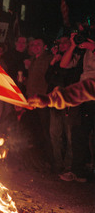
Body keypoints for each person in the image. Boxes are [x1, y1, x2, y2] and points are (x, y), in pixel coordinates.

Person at [29, 33, 95, 182]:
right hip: (81, 101)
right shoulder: (82, 54)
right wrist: (50, 99)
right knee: (78, 133)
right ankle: (75, 171)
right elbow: (87, 87)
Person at [45, 35, 82, 173]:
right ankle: (58, 163)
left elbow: (68, 75)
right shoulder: (57, 59)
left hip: (69, 101)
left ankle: (68, 166)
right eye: (60, 43)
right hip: (54, 101)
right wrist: (52, 62)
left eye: (65, 42)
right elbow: (48, 78)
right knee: (54, 133)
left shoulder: (76, 59)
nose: (62, 45)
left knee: (69, 135)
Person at [23, 37, 54, 169]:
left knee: (46, 132)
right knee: (35, 131)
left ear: (44, 46)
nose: (35, 46)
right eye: (33, 44)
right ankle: (37, 162)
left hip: (42, 100)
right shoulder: (33, 60)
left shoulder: (48, 58)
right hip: (32, 101)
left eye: (38, 44)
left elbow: (48, 78)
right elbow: (33, 80)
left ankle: (50, 161)